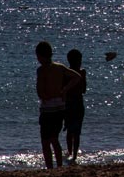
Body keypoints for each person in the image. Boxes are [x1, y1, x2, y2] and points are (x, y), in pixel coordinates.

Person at [35, 41, 81, 169]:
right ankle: (59, 167)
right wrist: (64, 89)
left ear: (40, 56)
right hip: (60, 107)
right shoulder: (60, 67)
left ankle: (50, 168)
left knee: (45, 141)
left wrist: (45, 95)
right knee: (54, 139)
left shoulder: (41, 70)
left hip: (48, 108)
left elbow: (40, 91)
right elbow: (77, 77)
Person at [64, 48, 87, 163]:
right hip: (78, 103)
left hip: (68, 104)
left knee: (69, 130)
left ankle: (70, 153)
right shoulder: (82, 72)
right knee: (77, 131)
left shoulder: (66, 72)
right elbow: (84, 90)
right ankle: (74, 155)